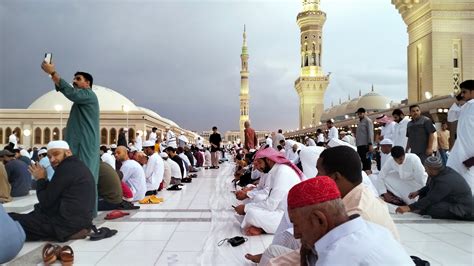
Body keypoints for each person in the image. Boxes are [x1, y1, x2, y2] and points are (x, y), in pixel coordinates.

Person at [285, 176, 412, 265]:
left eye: (296, 224)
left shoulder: (335, 258)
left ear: (319, 220)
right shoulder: (376, 230)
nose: (296, 234)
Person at [41, 61, 100, 211]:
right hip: (77, 143)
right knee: (73, 176)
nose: (74, 81)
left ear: (87, 83)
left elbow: (71, 93)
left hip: (86, 144)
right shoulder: (80, 100)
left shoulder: (88, 95)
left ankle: (87, 214)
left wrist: (53, 73)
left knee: (86, 177)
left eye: (78, 79)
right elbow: (67, 91)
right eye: (73, 78)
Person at [9, 140, 95, 242]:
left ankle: (71, 233)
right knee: (14, 218)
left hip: (64, 225)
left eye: (56, 154)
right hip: (78, 221)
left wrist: (41, 179)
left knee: (10, 222)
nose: (52, 159)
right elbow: (53, 195)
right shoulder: (75, 165)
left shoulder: (66, 168)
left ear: (68, 152)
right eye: (49, 157)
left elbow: (45, 201)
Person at [234, 148, 302, 236]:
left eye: (259, 163)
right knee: (252, 209)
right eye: (256, 164)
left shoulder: (282, 172)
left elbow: (271, 204)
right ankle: (261, 226)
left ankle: (262, 228)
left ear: (269, 161)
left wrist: (245, 208)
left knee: (252, 213)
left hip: (288, 216)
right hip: (279, 210)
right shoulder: (275, 171)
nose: (258, 167)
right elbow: (270, 199)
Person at [396, 156, 473, 220]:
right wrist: (419, 192)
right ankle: (422, 209)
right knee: (424, 197)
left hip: (464, 209)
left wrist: (409, 208)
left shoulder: (445, 181)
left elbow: (431, 199)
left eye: (426, 168)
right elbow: (431, 186)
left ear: (433, 169)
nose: (425, 170)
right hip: (453, 201)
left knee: (432, 208)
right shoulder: (443, 171)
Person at [447, 80, 474, 193]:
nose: (462, 94)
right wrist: (457, 101)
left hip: (471, 154)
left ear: (473, 92)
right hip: (459, 151)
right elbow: (451, 117)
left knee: (470, 182)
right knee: (449, 174)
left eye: (464, 92)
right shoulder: (465, 106)